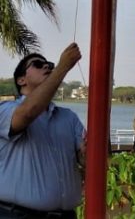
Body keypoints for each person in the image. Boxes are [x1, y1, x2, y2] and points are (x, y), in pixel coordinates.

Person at [0, 43, 85, 218]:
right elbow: (27, 113)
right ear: (21, 80)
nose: (46, 66)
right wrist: (62, 68)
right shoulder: (6, 109)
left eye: (50, 65)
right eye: (38, 64)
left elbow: (85, 159)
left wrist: (88, 153)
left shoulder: (69, 118)